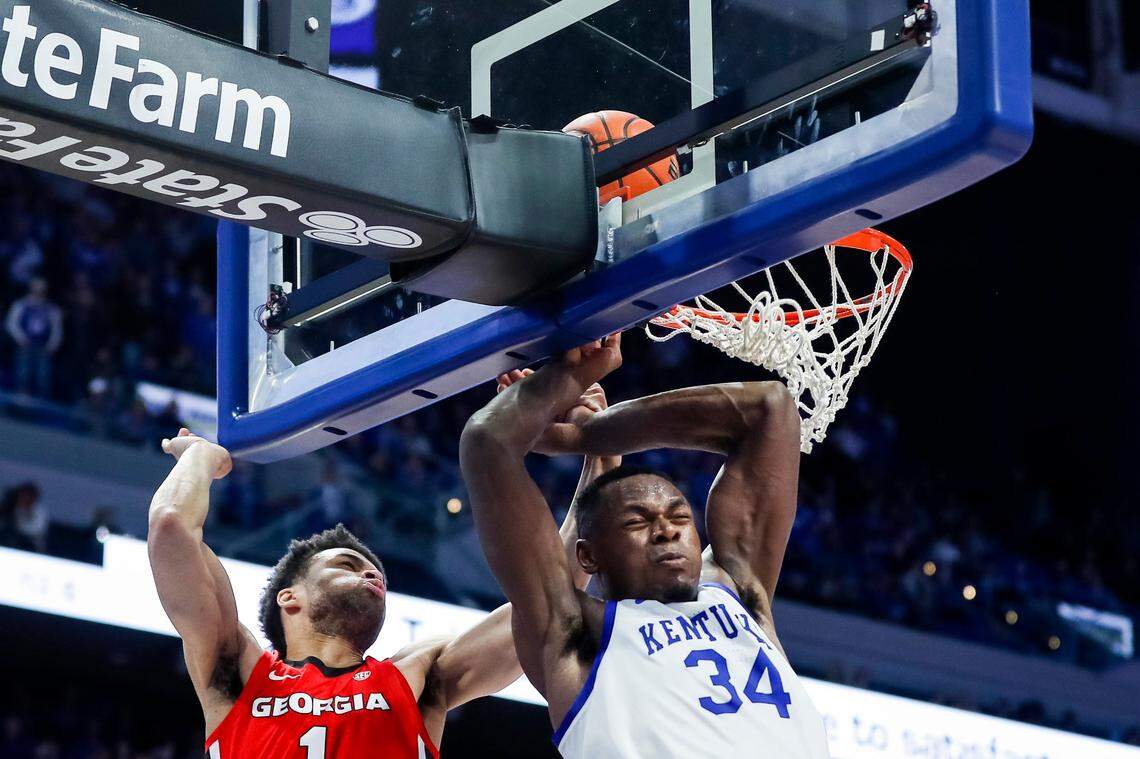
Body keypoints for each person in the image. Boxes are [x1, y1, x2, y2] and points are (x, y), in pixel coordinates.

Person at [149, 402, 617, 758]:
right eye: (346, 565)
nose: (371, 572)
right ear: (289, 598)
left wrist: (601, 457)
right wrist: (200, 458)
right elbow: (171, 526)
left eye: (373, 569)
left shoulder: (419, 675)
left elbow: (549, 598)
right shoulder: (239, 672)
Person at [460, 334, 830, 757]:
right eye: (638, 522)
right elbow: (487, 441)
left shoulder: (740, 595)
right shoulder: (578, 634)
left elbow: (772, 408)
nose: (666, 531)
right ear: (588, 555)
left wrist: (593, 433)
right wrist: (568, 377)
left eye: (679, 517)